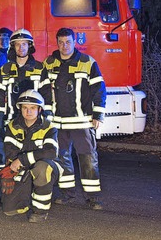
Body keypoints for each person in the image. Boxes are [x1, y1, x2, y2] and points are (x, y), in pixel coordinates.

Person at [43, 28, 106, 210]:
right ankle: (67, 194)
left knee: (87, 158)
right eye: (61, 42)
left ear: (74, 42)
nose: (65, 46)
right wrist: (47, 115)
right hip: (57, 122)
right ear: (57, 43)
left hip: (82, 121)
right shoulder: (49, 63)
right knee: (61, 158)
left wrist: (98, 114)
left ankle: (92, 197)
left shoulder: (87, 62)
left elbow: (99, 89)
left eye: (68, 42)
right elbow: (45, 91)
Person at [0, 90, 61, 223]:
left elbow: (51, 152)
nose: (28, 112)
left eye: (32, 108)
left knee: (42, 168)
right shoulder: (12, 126)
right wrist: (13, 170)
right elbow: (10, 151)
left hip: (47, 168)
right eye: (25, 108)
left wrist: (22, 160)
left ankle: (40, 211)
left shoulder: (49, 127)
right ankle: (26, 198)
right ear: (20, 109)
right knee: (9, 209)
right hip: (23, 168)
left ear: (39, 109)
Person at [0, 29, 49, 173]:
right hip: (12, 120)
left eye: (24, 44)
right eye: (17, 44)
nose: (21, 48)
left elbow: (46, 94)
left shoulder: (40, 68)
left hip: (34, 121)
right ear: (12, 47)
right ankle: (14, 186)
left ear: (30, 46)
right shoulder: (4, 69)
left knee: (33, 153)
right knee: (11, 154)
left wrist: (47, 116)